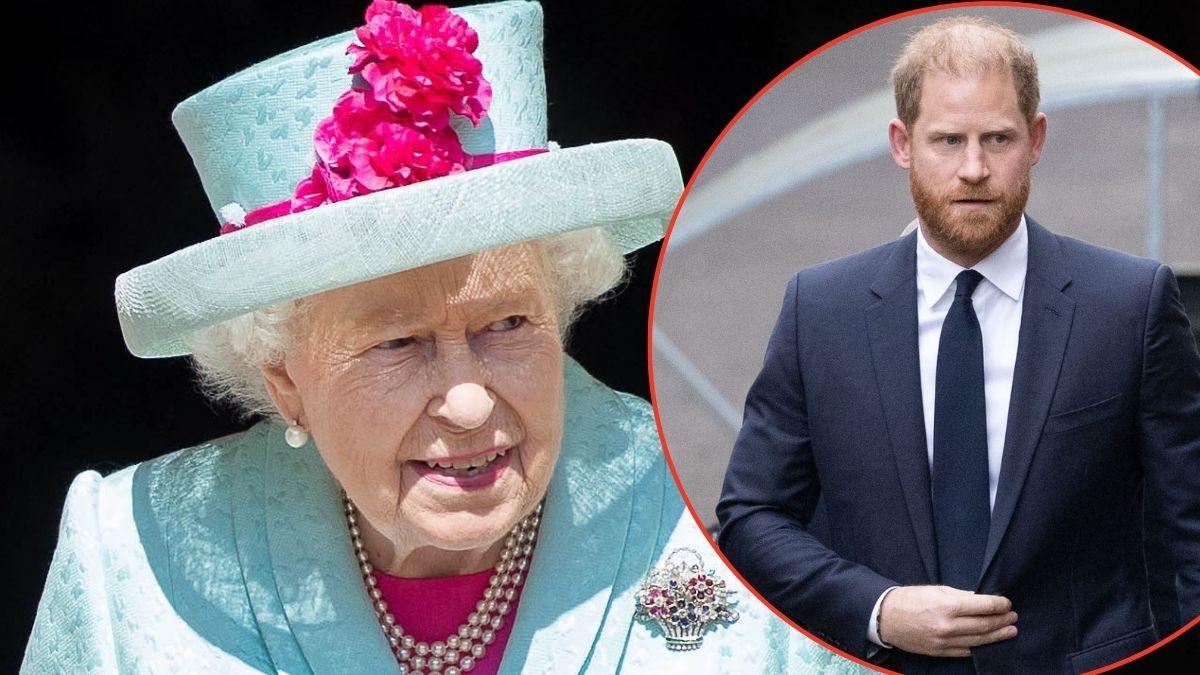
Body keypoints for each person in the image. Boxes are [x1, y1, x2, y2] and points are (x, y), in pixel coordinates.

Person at [22, 2, 864, 673]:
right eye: (398, 343)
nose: (468, 402)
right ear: (283, 378)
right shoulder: (122, 560)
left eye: (507, 322)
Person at [717, 15, 1200, 675]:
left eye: (998, 138)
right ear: (902, 144)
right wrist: (879, 608)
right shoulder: (820, 310)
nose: (974, 169)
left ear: (1035, 139)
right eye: (948, 140)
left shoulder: (1129, 303)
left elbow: (1189, 527)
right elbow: (753, 516)